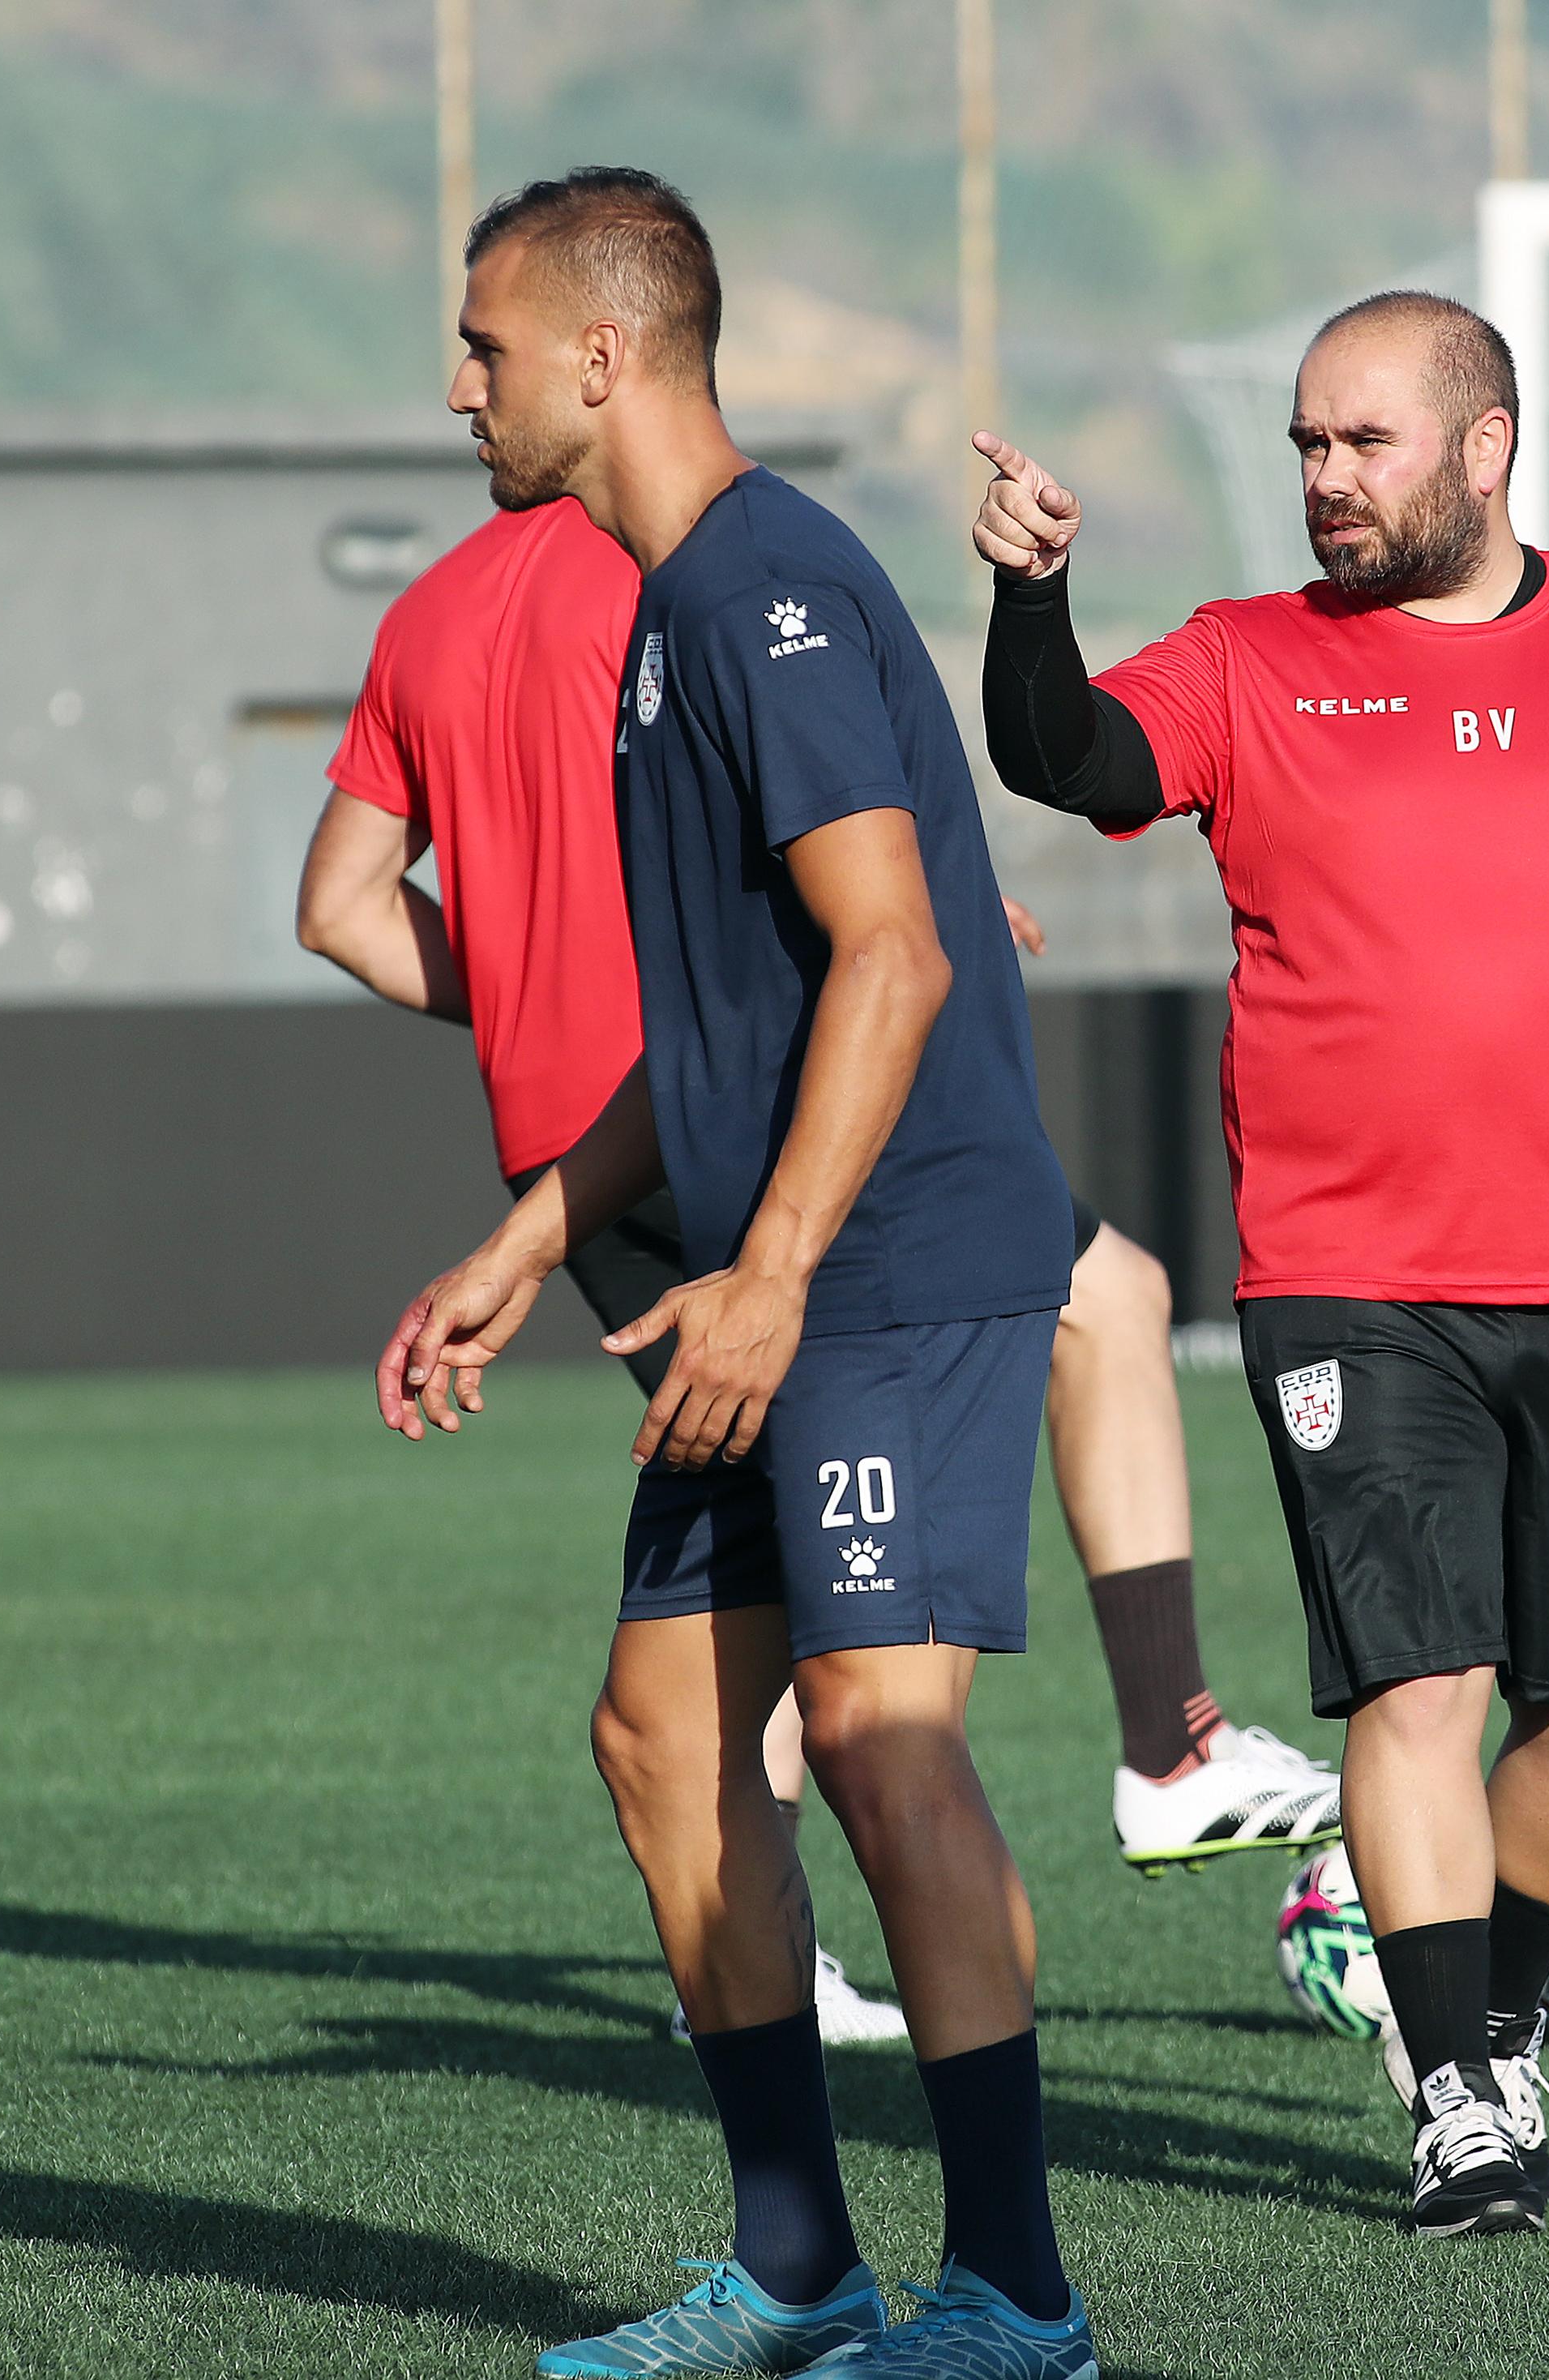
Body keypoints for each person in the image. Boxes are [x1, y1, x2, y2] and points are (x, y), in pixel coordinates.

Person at [971, 291, 1549, 2238]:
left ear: (1484, 446)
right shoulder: (1246, 661)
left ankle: (1497, 2015)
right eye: (1306, 444)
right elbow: (1071, 762)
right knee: (1420, 1680)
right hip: (1349, 1277)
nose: (1322, 482)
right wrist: (1032, 599)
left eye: (1361, 444)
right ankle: (1459, 2093)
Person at [380, 168, 1095, 2379]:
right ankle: (800, 2269)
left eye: (485, 344)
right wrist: (528, 1241)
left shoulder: (771, 591)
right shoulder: (662, 612)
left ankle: (1017, 2300)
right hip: (764, 1269)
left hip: (884, 1266)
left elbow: (891, 953)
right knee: (662, 1741)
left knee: (883, 1739)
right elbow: (718, 1038)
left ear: (601, 357)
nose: (460, 386)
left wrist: (772, 1271)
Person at [295, 524, 1336, 1896]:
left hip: (562, 1144)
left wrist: (534, 990)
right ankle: (1174, 1748)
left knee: (754, 1539)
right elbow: (795, 828)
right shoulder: (690, 575)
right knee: (1104, 1307)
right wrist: (909, 908)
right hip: (735, 1101)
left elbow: (341, 913)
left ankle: (748, 1955)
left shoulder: (424, 618)